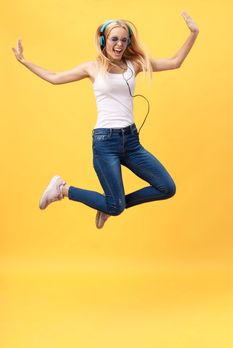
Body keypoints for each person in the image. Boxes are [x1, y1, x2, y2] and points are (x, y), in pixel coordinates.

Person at [12, 12, 199, 229]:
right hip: (105, 143)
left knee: (167, 188)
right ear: (103, 40)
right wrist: (25, 62)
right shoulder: (92, 67)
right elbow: (55, 78)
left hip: (131, 142)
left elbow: (175, 62)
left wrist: (193, 33)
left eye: (124, 40)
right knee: (116, 207)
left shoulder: (135, 64)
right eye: (114, 39)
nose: (119, 44)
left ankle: (107, 205)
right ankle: (63, 190)